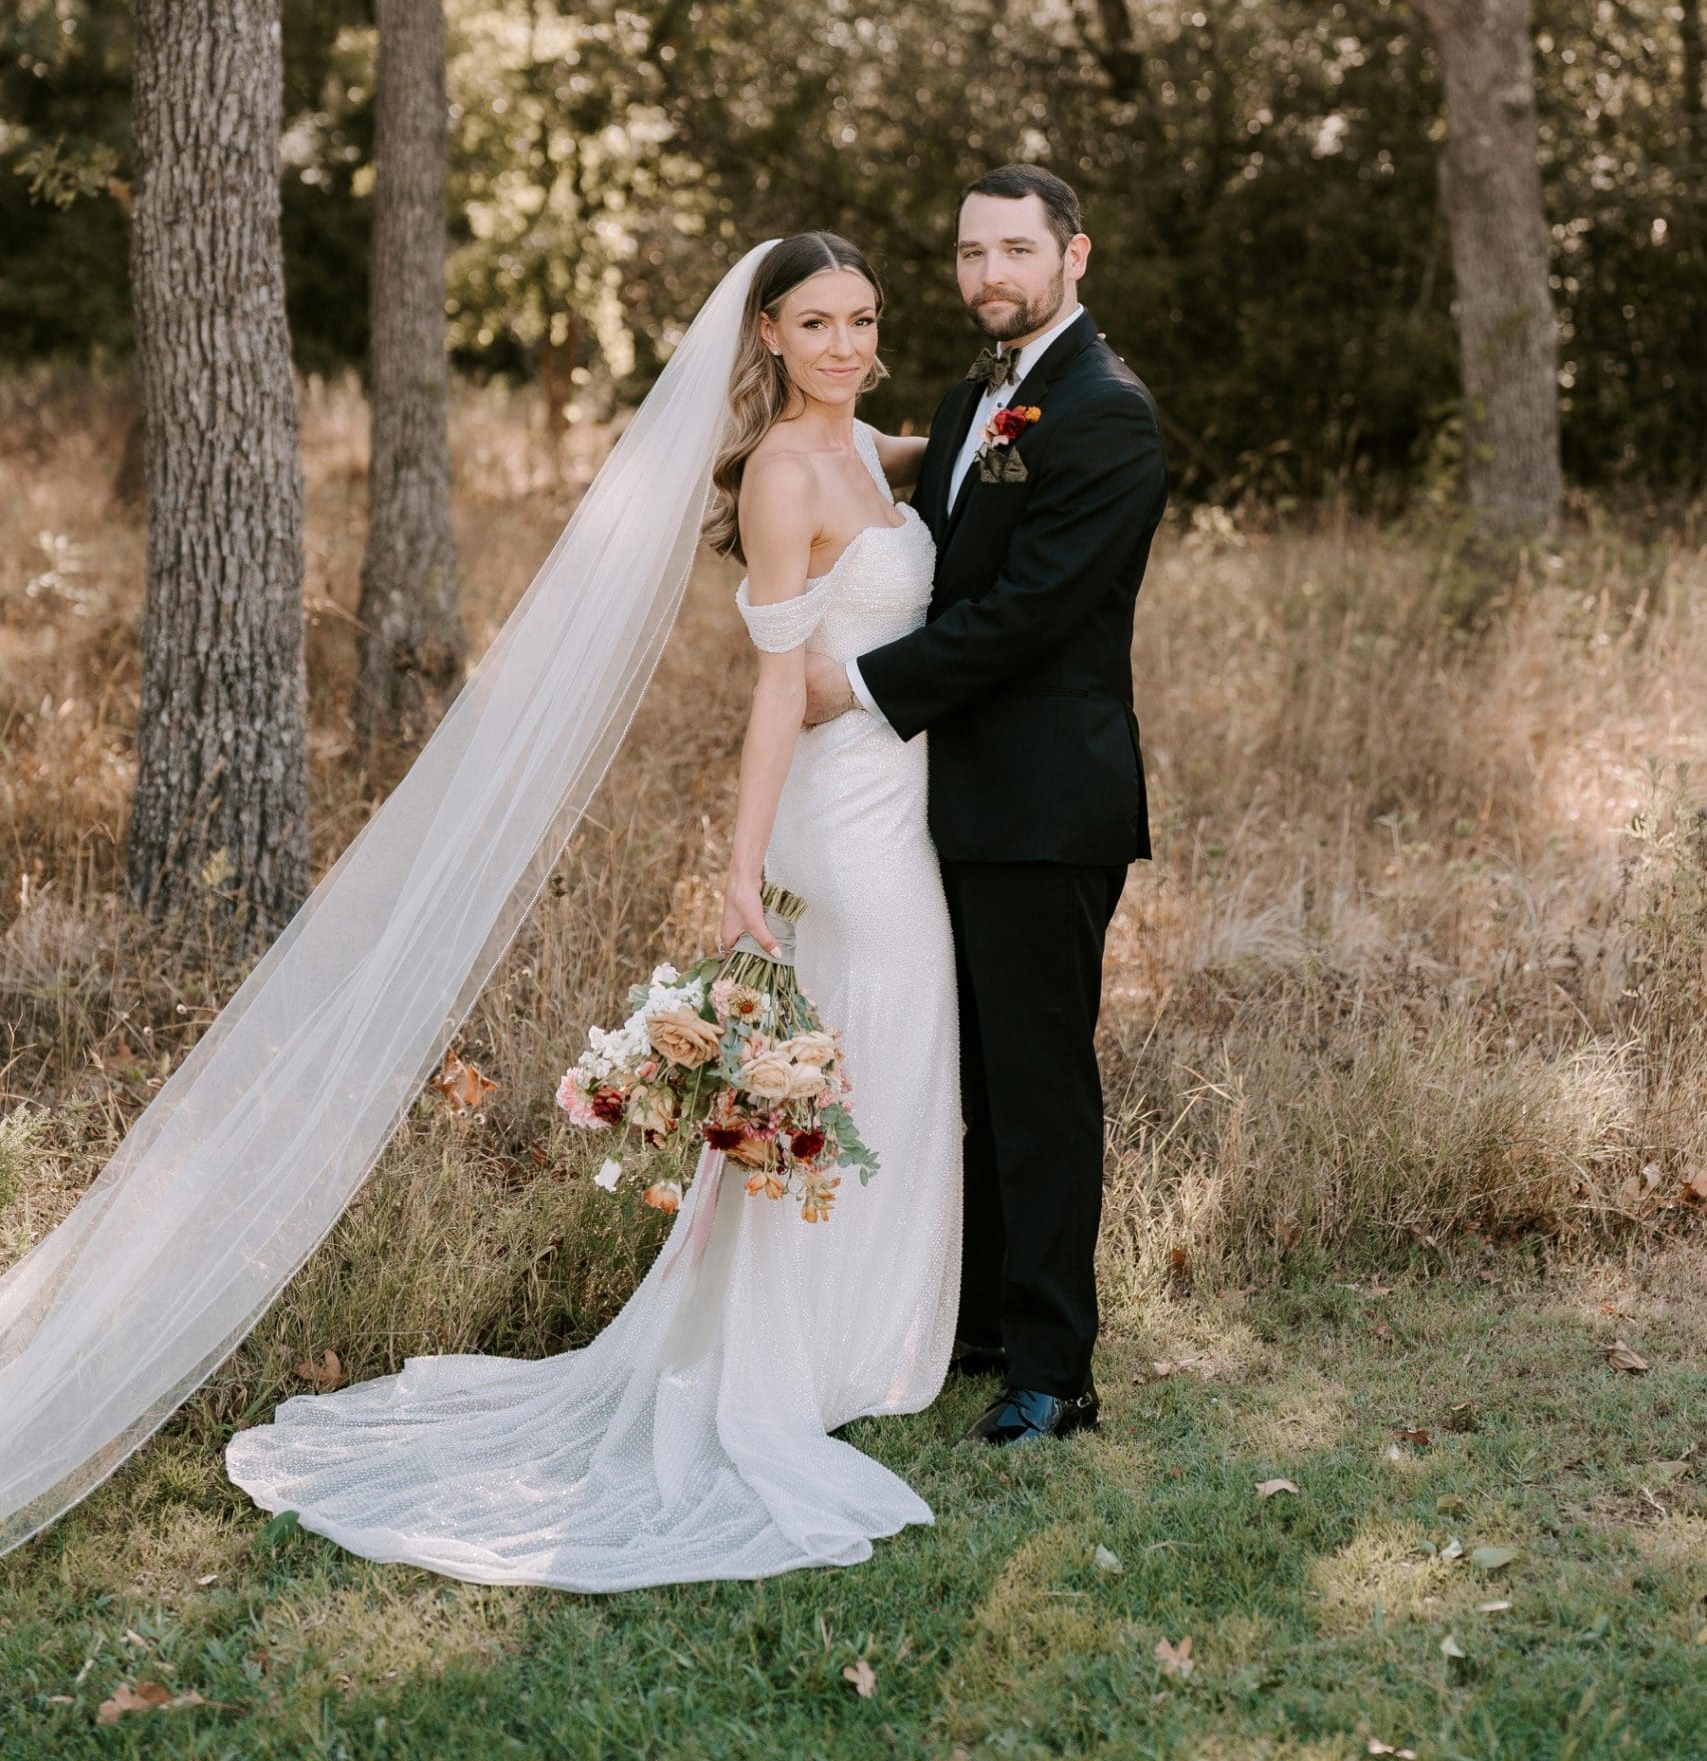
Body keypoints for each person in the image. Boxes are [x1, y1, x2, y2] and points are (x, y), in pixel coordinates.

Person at [222, 232, 964, 1588]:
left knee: (893, 1055)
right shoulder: (787, 473)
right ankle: (810, 1352)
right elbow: (769, 686)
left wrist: (1012, 413)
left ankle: (868, 1341)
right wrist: (740, 868)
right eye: (816, 325)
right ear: (767, 341)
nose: (846, 346)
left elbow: (937, 450)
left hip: (898, 789)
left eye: (862, 320)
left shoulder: (861, 448)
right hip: (844, 814)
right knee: (876, 1043)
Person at [804, 165, 1168, 1448]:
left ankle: (1055, 1370)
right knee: (973, 1076)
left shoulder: (1106, 413)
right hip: (951, 796)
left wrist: (848, 684)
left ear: (1077, 257)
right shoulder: (980, 396)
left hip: (1045, 803)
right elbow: (915, 507)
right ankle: (981, 1324)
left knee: (1039, 1082)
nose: (990, 275)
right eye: (969, 253)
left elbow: (1024, 617)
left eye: (1016, 249)